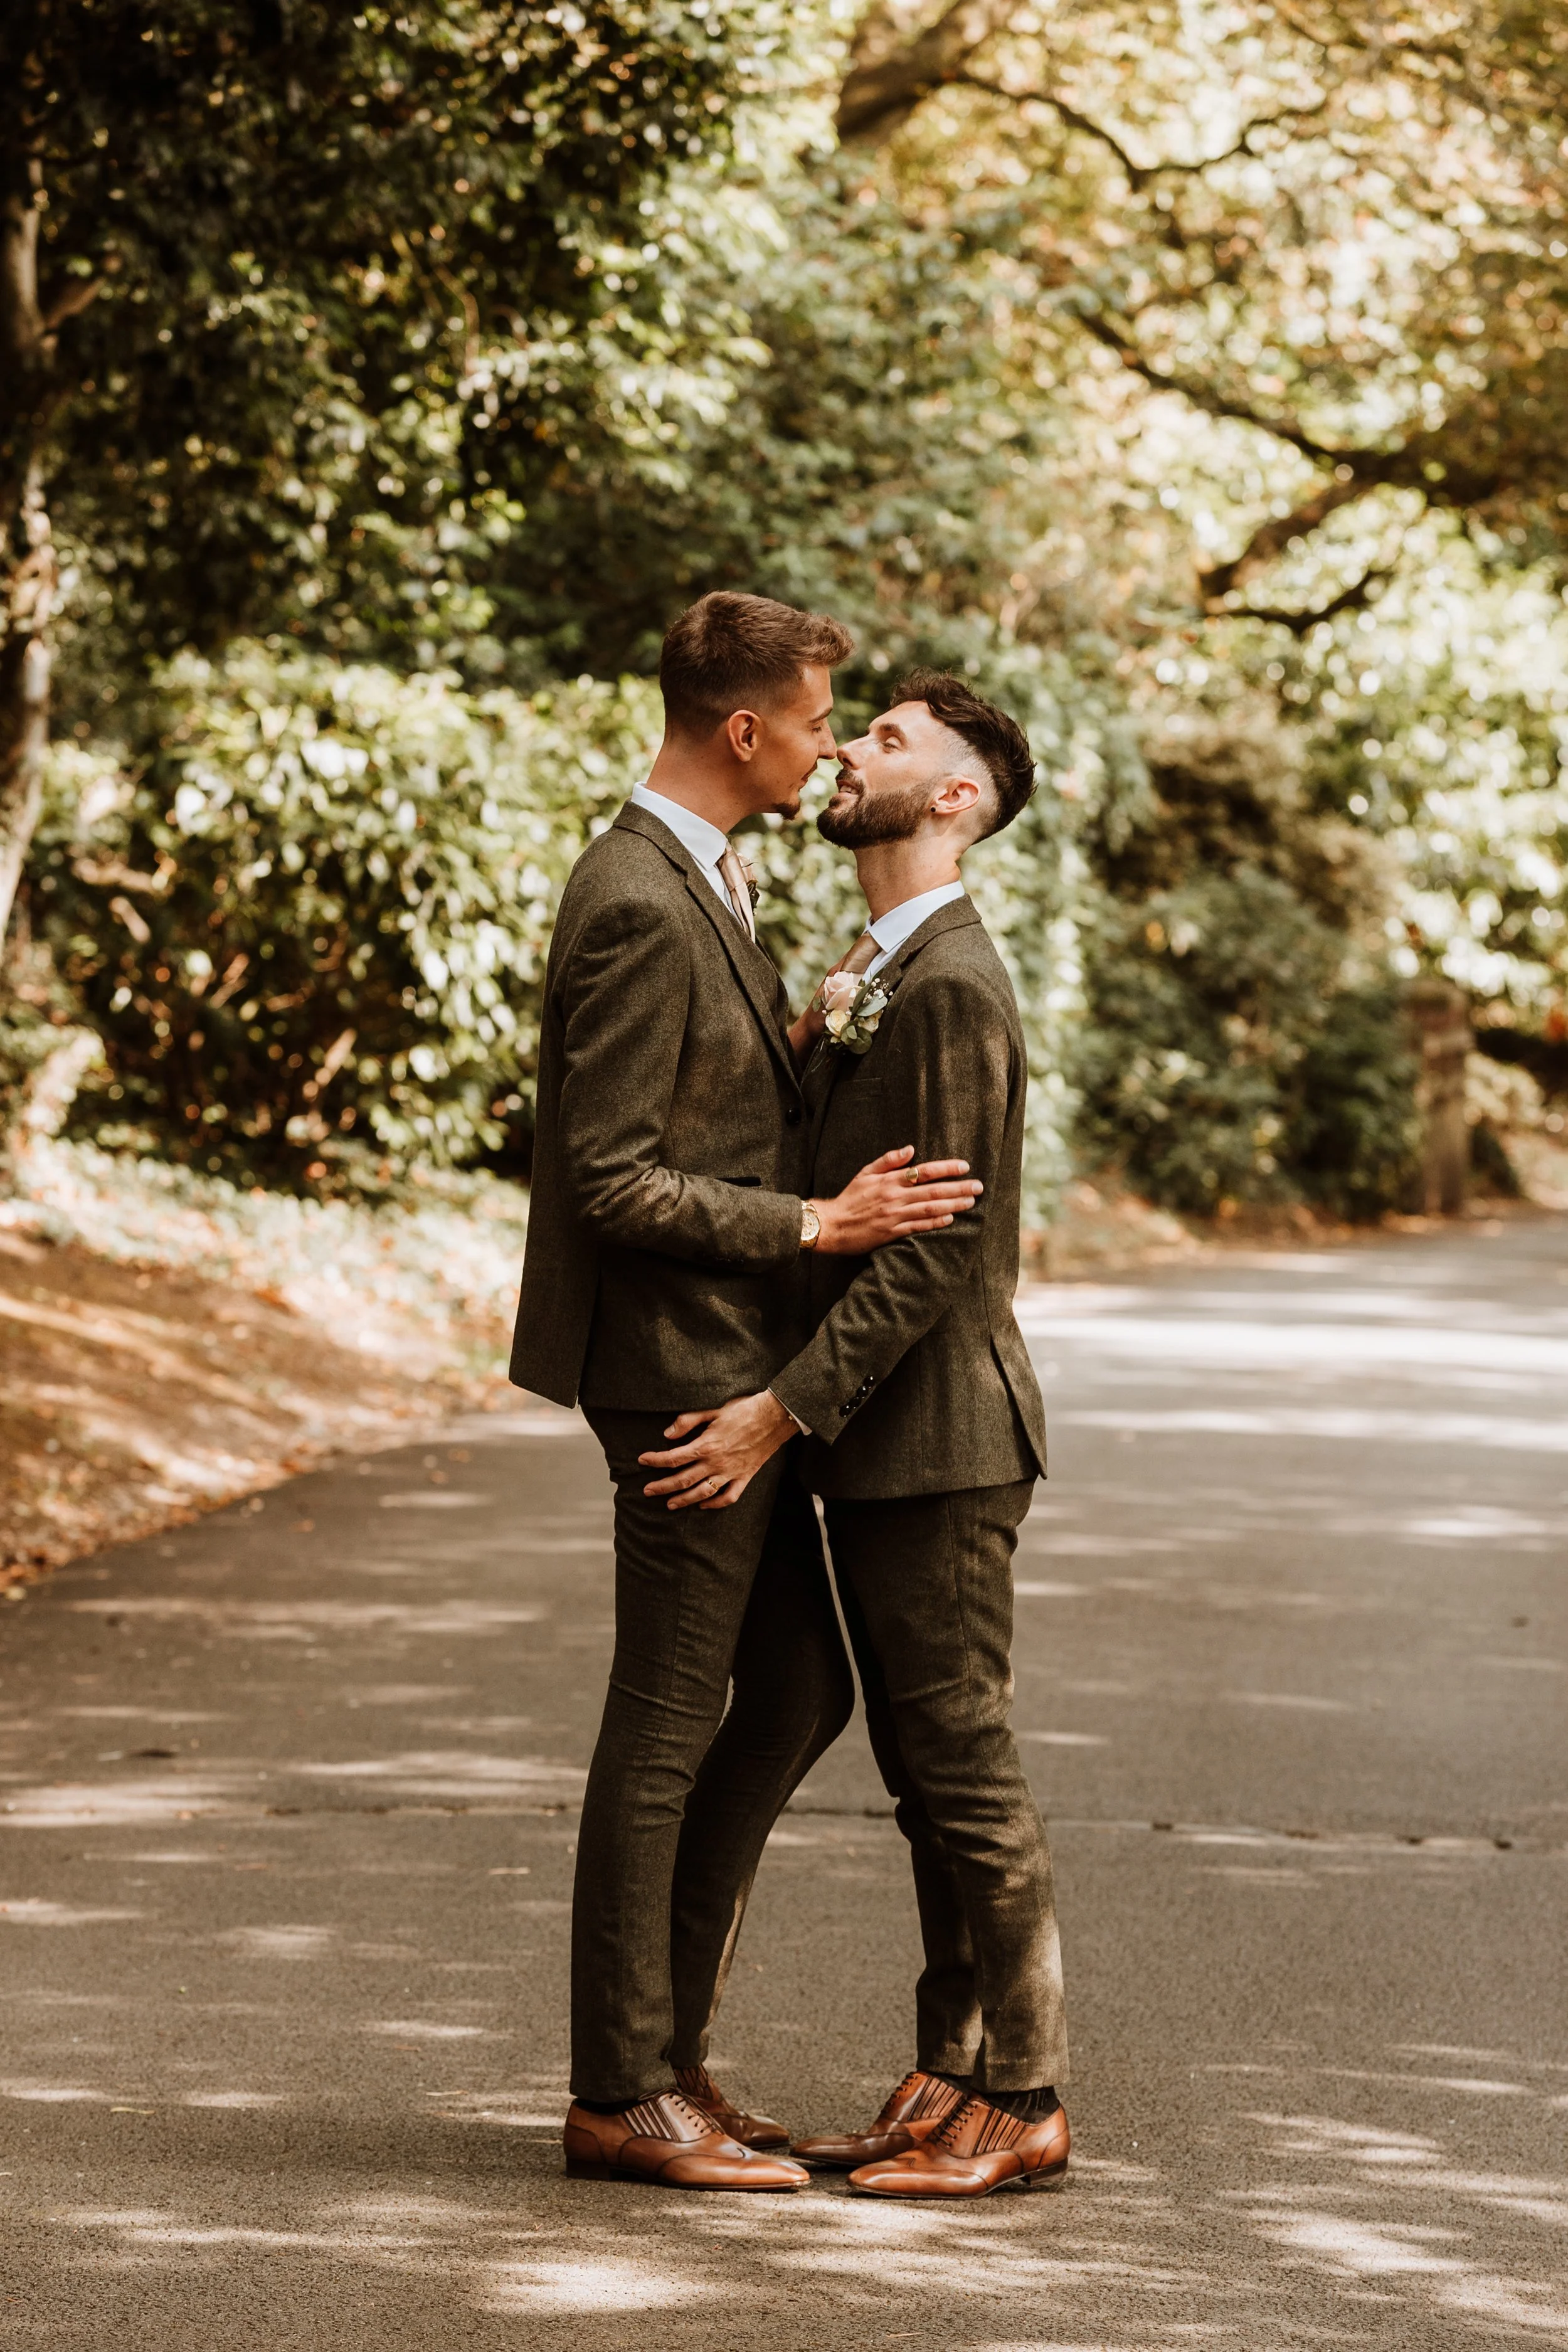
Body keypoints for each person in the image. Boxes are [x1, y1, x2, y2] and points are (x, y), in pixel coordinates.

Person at [509, 598, 983, 2193]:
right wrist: (815, 1226)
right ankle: (619, 2091)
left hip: (731, 1360)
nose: (827, 747)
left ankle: (668, 2050)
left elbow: (699, 1105)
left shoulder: (704, 874)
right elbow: (608, 1178)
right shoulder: (636, 895)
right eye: (816, 722)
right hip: (674, 1376)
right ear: (741, 731)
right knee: (663, 1720)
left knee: (791, 1692)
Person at [641, 668, 1069, 2198]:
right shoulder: (873, 963)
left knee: (961, 1769)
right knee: (920, 1772)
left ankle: (1021, 2094)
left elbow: (932, 1253)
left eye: (885, 740)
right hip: (885, 1443)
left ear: (951, 798)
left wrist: (773, 1414)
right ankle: (949, 2069)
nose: (846, 751)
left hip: (939, 1442)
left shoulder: (946, 982)